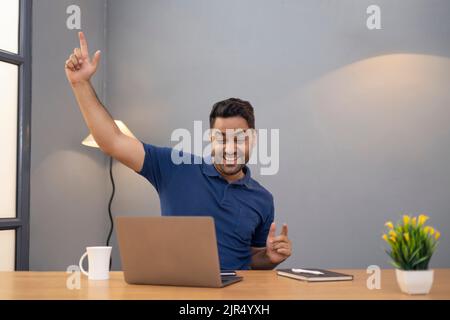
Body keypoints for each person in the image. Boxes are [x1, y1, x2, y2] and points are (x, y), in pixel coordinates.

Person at [64, 32, 292, 270]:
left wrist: (269, 258)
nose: (230, 148)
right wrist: (80, 83)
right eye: (221, 138)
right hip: (178, 288)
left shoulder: (263, 199)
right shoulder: (174, 167)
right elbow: (112, 141)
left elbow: (250, 257)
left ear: (253, 139)